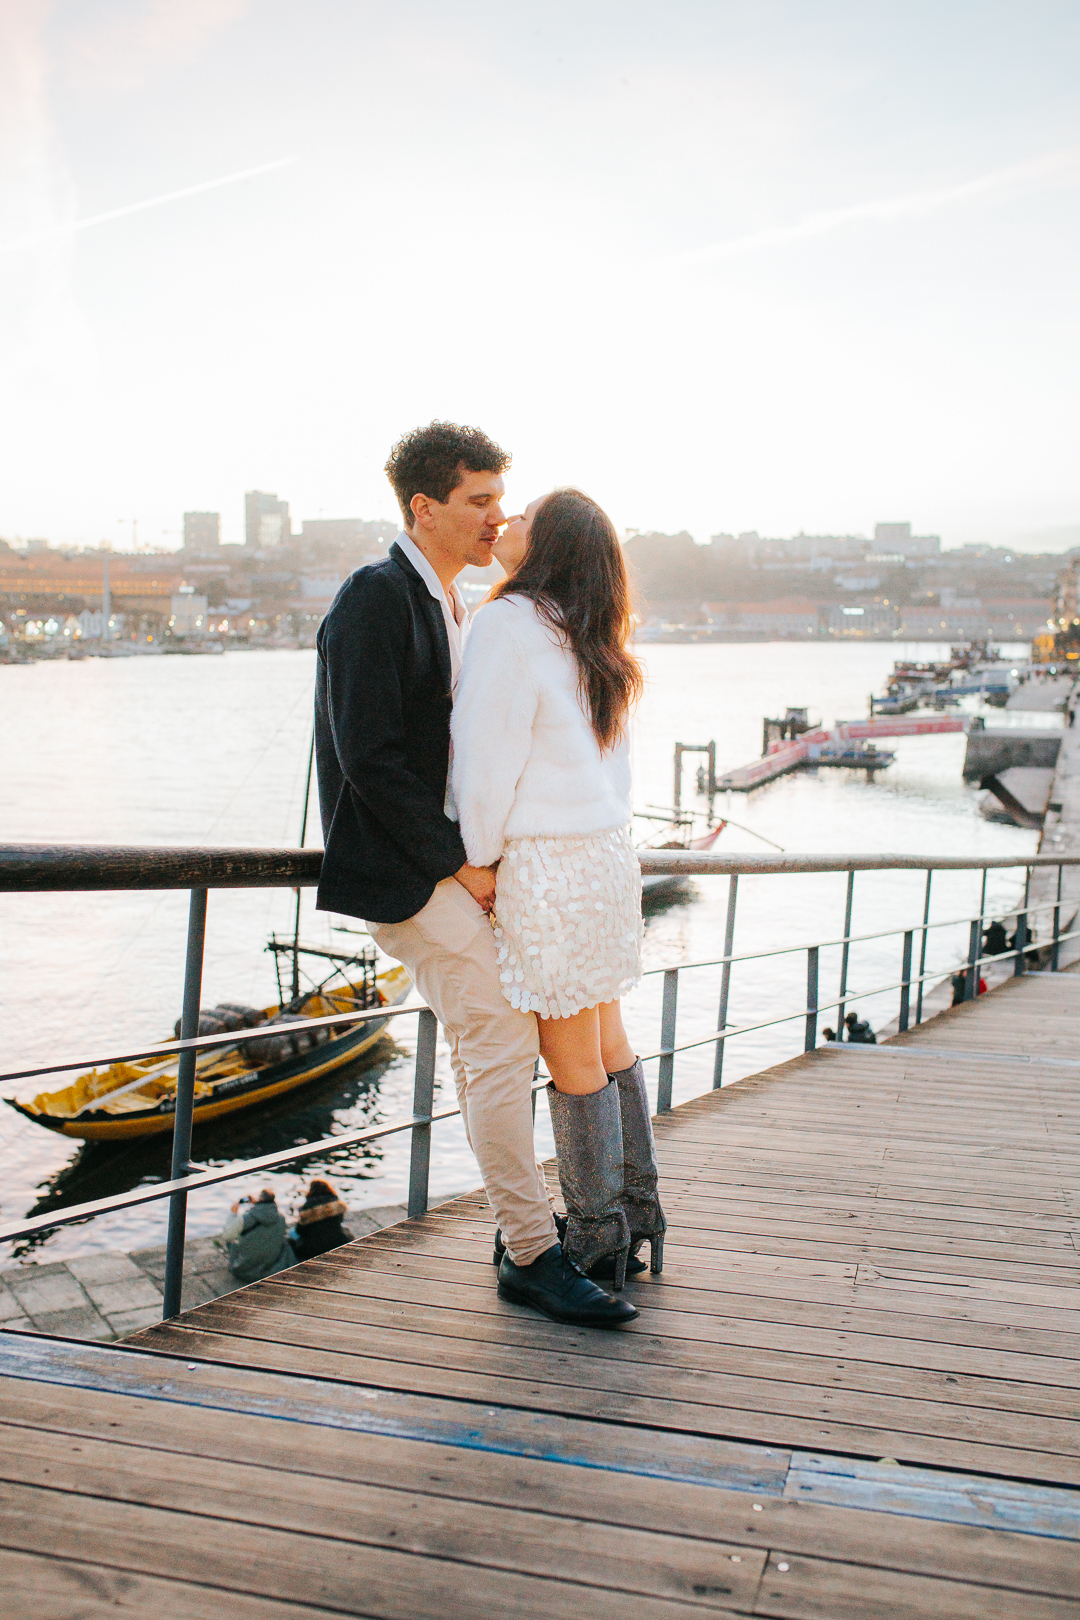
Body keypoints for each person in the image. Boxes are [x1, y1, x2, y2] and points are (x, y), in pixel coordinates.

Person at [314, 422, 634, 1330]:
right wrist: (462, 862)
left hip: (457, 873)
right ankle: (533, 1253)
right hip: (413, 877)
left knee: (511, 1044)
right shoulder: (375, 598)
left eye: (504, 498)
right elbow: (367, 756)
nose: (498, 516)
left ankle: (541, 1237)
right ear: (425, 507)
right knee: (498, 1042)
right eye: (480, 500)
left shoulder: (458, 603)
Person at [452, 487, 666, 1295]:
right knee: (608, 1043)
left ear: (548, 548)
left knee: (570, 1056)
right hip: (608, 858)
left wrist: (475, 862)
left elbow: (482, 763)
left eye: (526, 518)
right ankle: (638, 1214)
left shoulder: (507, 624)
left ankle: (593, 1238)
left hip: (547, 862)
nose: (507, 523)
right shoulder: (596, 637)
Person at [222, 1188, 295, 1283]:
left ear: (259, 1199)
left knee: (232, 1241)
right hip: (274, 1268)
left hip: (245, 1271)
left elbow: (227, 1236)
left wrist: (233, 1214)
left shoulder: (246, 1219)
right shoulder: (281, 1218)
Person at [291, 1178, 353, 1262]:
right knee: (343, 1226)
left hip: (312, 1248)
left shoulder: (307, 1209)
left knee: (291, 1232)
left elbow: (300, 1231)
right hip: (337, 1241)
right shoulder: (336, 1205)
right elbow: (339, 1221)